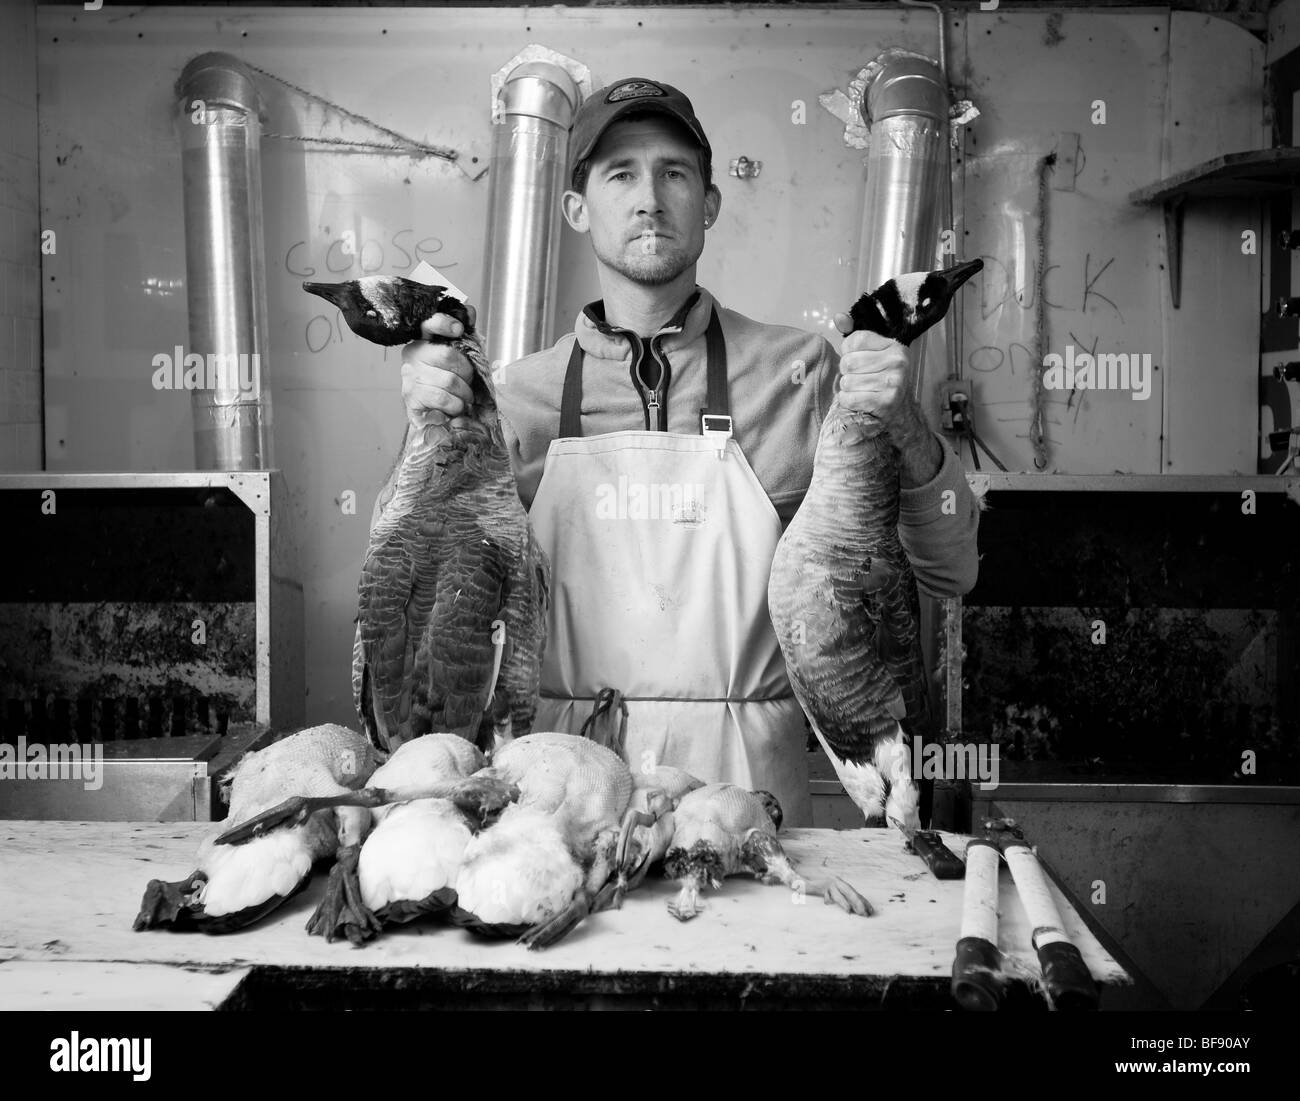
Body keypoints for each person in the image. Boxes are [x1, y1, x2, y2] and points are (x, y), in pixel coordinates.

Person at [399, 77, 978, 826]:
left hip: (750, 796)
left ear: (708, 204)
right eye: (621, 174)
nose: (650, 197)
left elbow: (950, 567)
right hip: (562, 800)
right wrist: (426, 426)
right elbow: (413, 597)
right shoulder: (516, 398)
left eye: (674, 172)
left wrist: (901, 419)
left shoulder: (799, 373)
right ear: (576, 209)